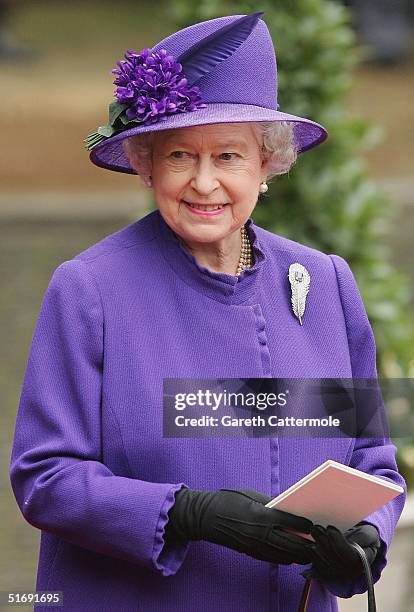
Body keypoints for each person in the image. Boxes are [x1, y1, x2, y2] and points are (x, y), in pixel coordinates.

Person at [10, 12, 406, 611]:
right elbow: (46, 479)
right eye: (178, 156)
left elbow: (372, 464)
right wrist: (187, 513)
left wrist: (365, 537)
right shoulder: (90, 289)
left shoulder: (323, 283)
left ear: (267, 166)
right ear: (146, 165)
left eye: (228, 156)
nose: (204, 183)